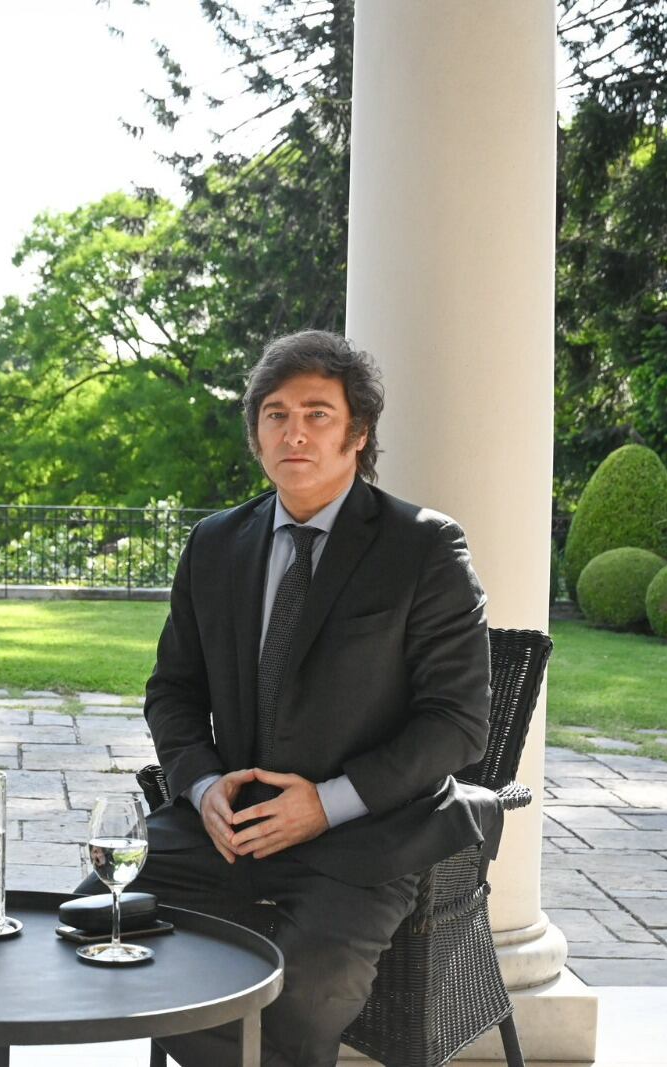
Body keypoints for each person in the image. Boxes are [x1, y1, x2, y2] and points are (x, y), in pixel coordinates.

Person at [106, 330, 498, 1066]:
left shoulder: (425, 548)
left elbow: (459, 722)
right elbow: (173, 691)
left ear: (358, 433)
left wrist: (327, 801)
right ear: (255, 432)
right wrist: (199, 783)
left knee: (293, 1002)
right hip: (228, 828)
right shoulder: (215, 544)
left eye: (317, 413)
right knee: (91, 935)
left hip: (365, 838)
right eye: (276, 412)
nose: (294, 431)